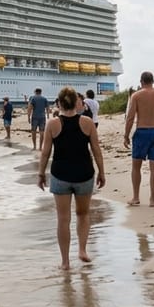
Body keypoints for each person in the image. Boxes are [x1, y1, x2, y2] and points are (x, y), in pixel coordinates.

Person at [38, 87, 107, 270]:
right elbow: (96, 150)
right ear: (78, 102)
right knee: (83, 214)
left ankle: (65, 262)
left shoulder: (52, 124)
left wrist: (40, 174)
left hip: (60, 175)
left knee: (63, 219)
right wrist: (102, 172)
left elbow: (45, 153)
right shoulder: (88, 123)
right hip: (84, 174)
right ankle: (83, 250)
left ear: (59, 103)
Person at [123, 71, 154, 207]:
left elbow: (130, 117)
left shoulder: (136, 96)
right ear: (153, 81)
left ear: (141, 82)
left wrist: (126, 135)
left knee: (136, 166)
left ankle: (136, 197)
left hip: (142, 132)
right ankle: (152, 200)